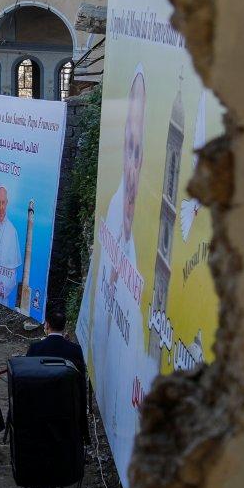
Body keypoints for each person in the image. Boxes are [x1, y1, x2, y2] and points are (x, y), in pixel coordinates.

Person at [89, 65, 152, 458]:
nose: (130, 165)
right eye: (127, 147)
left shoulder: (141, 252)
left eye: (137, 151)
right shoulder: (112, 210)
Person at [27, 305, 88, 443]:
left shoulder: (35, 348)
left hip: (41, 405)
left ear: (47, 325)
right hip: (66, 406)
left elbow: (27, 378)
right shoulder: (75, 350)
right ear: (64, 326)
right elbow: (81, 382)